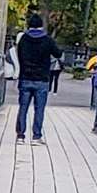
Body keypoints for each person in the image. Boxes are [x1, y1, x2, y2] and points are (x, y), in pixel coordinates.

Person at [15, 13, 63, 144]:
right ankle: (36, 136)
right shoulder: (47, 40)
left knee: (23, 108)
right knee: (39, 109)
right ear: (41, 26)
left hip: (26, 77)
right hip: (42, 79)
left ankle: (20, 136)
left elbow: (19, 55)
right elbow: (58, 53)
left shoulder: (24, 39)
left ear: (29, 25)